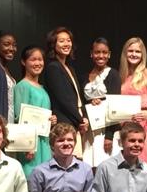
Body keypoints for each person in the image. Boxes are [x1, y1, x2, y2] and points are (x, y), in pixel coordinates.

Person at [44, 27, 90, 159]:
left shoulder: (69, 68)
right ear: (54, 45)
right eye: (61, 41)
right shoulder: (53, 67)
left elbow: (77, 98)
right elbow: (63, 99)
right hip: (64, 122)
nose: (66, 44)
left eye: (68, 40)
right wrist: (80, 120)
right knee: (67, 162)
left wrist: (84, 118)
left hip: (74, 120)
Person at [13, 45, 56, 177]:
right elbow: (19, 117)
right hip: (31, 144)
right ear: (23, 62)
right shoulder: (22, 86)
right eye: (33, 60)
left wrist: (51, 119)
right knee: (32, 178)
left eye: (40, 59)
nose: (37, 63)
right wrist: (27, 145)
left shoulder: (42, 88)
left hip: (44, 141)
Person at [118, 37, 147, 168]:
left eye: (137, 51)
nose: (134, 54)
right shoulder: (120, 75)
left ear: (143, 55)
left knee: (143, 165)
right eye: (130, 51)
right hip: (124, 126)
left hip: (144, 125)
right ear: (125, 53)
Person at [83, 37, 122, 166]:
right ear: (91, 54)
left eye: (104, 52)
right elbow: (81, 102)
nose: (101, 56)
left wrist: (109, 136)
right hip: (90, 130)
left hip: (106, 129)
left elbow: (114, 105)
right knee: (90, 165)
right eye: (97, 52)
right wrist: (89, 104)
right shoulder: (85, 75)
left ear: (109, 54)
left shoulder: (113, 74)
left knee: (107, 166)